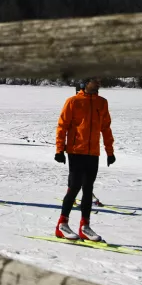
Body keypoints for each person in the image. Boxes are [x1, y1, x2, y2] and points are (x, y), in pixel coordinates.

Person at [53, 77, 115, 241]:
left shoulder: (102, 102)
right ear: (86, 83)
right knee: (74, 187)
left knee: (88, 189)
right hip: (75, 151)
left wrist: (110, 152)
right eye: (95, 81)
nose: (98, 83)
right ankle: (62, 225)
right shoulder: (73, 101)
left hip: (93, 152)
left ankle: (84, 226)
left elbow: (106, 128)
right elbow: (62, 126)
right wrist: (60, 150)